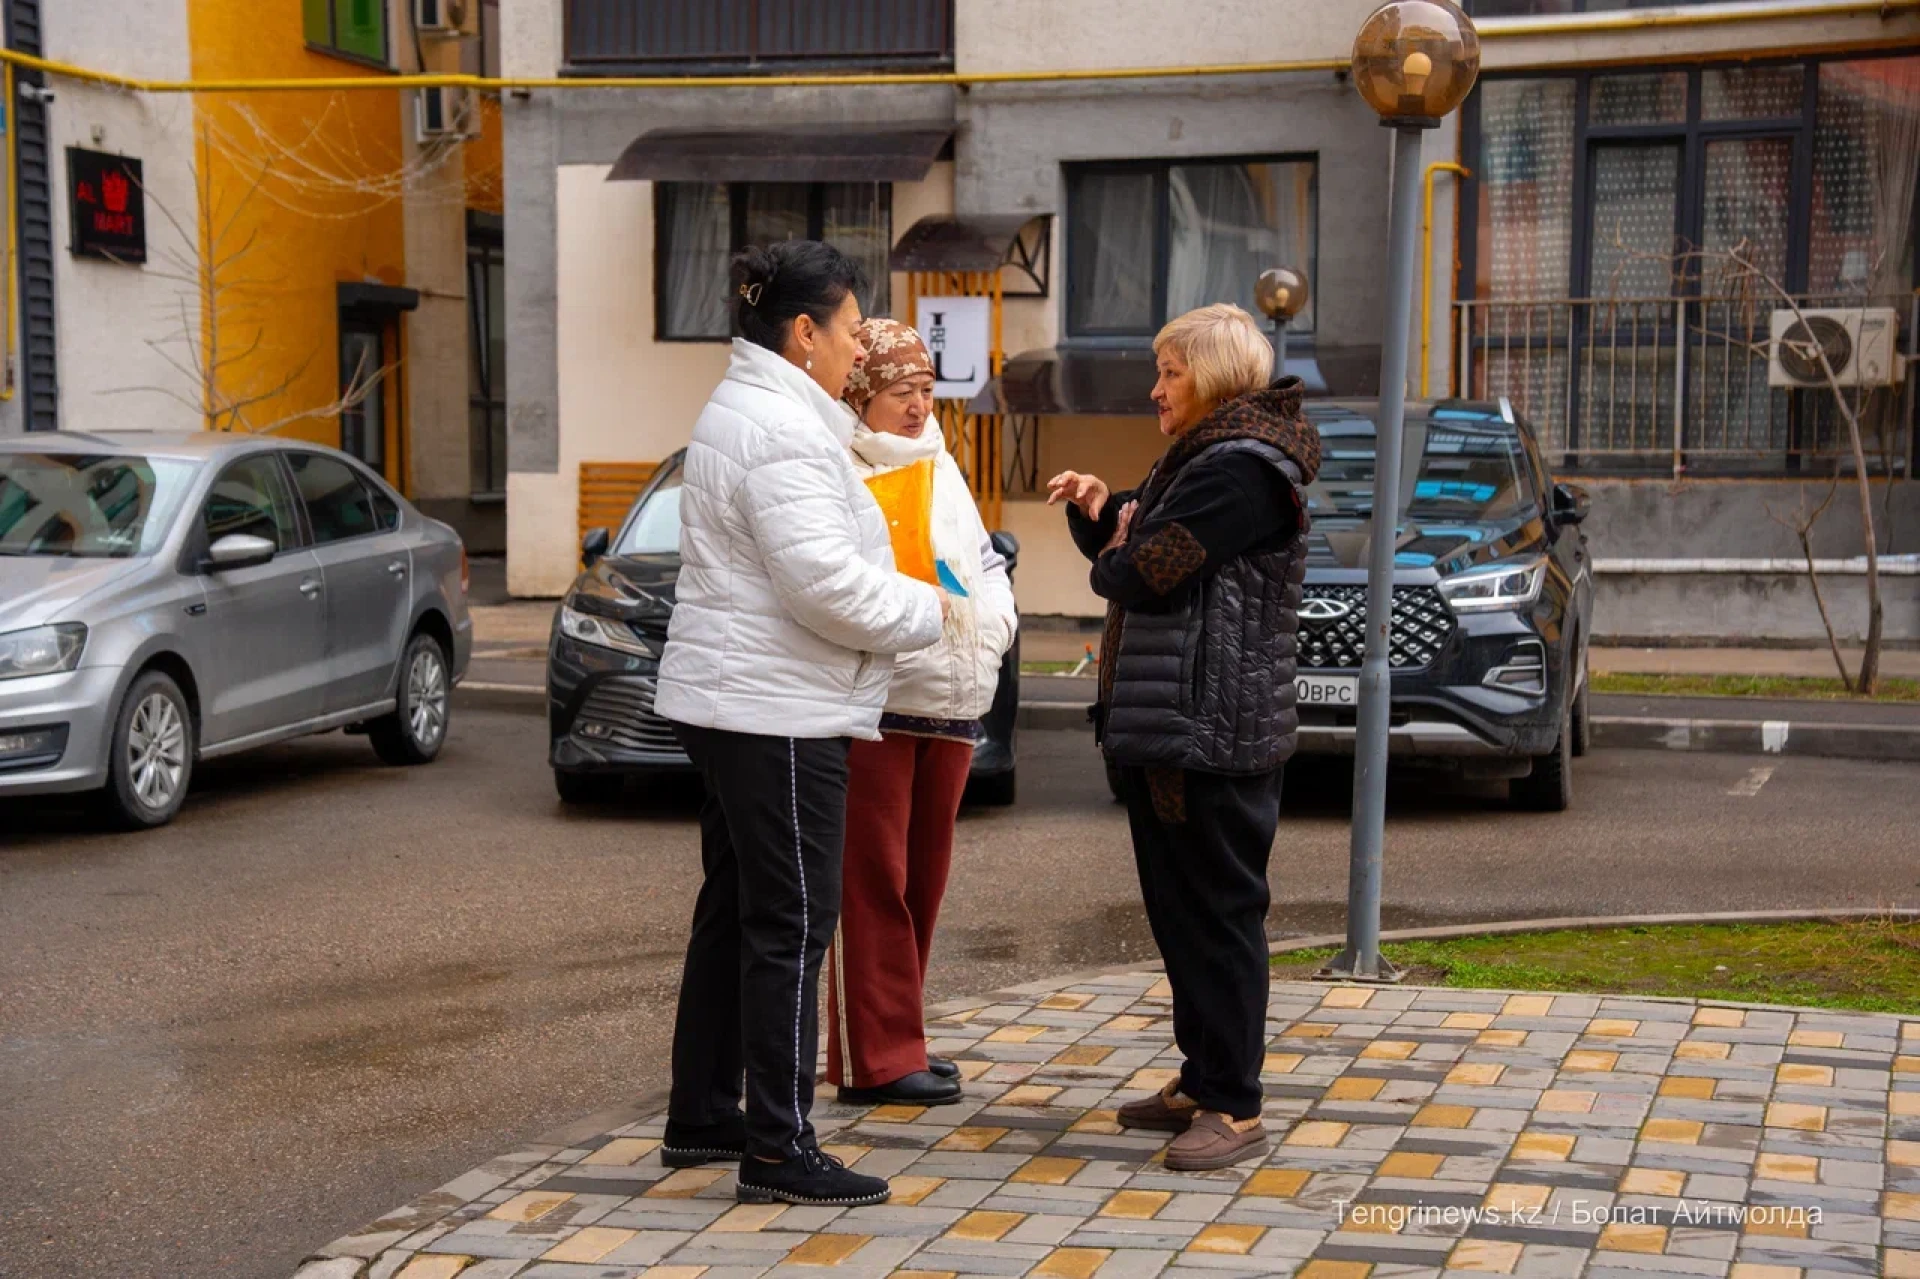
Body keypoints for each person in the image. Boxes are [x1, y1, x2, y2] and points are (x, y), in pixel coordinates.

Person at [654, 241, 947, 1208]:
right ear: (805, 332)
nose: (861, 347)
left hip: (744, 698)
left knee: (738, 907)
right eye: (853, 328)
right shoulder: (780, 426)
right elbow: (821, 583)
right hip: (776, 708)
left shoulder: (759, 407)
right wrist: (927, 611)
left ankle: (705, 1112)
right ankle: (779, 1149)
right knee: (793, 918)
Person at [1047, 303, 1321, 1172]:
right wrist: (1107, 513)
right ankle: (1202, 1078)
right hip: (1177, 724)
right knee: (1180, 914)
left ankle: (1235, 1104)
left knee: (1220, 917)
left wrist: (1121, 548)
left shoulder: (1241, 470)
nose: (1155, 389)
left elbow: (1147, 571)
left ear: (1214, 378)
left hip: (1213, 729)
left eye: (1170, 372)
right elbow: (1142, 540)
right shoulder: (1205, 457)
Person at [826, 318, 1019, 1107]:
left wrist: (994, 629)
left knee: (923, 884)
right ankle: (873, 1059)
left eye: (926, 391)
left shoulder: (940, 461)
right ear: (861, 395)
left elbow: (984, 564)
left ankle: (901, 1040)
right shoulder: (837, 463)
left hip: (953, 702)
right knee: (873, 881)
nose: (917, 407)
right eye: (900, 391)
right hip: (879, 704)